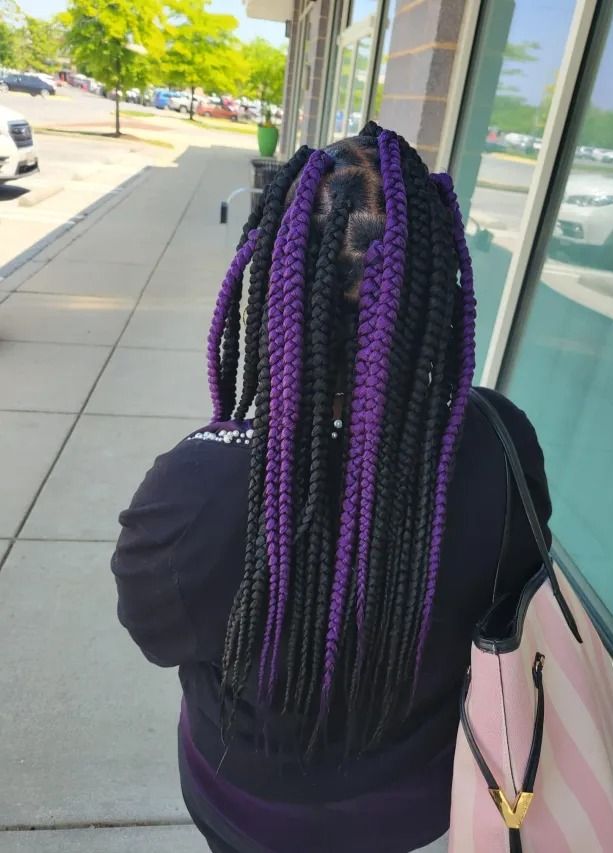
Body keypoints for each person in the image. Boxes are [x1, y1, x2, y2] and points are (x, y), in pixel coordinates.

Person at [111, 123, 551, 853]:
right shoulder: (500, 445)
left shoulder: (198, 488)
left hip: (250, 805)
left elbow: (154, 632)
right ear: (433, 289)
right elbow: (511, 602)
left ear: (281, 281)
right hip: (417, 803)